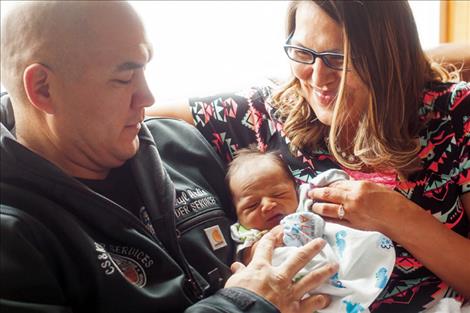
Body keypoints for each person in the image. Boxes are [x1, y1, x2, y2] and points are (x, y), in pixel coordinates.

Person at [0, 2, 339, 313]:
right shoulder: (15, 236)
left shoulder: (180, 145)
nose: (147, 97)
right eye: (123, 78)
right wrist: (242, 306)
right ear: (43, 89)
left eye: (145, 70)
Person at [147, 1, 470, 312]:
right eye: (303, 52)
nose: (317, 78)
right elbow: (136, 114)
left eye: (338, 58)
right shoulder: (265, 114)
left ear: (387, 55)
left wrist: (397, 217)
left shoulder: (456, 116)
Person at [227, 147, 396, 313]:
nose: (268, 205)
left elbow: (329, 180)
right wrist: (260, 245)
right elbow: (246, 260)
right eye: (252, 205)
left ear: (295, 189)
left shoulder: (306, 201)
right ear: (237, 214)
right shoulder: (247, 233)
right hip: (289, 298)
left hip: (338, 281)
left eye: (278, 194)